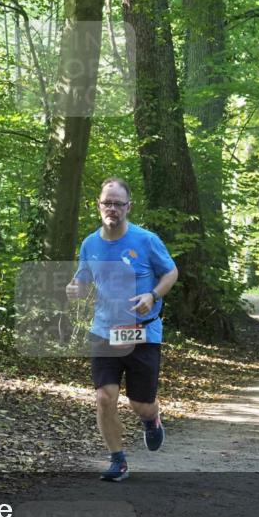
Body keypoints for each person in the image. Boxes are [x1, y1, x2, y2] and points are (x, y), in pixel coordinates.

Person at [66, 177, 179, 482]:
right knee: (105, 397)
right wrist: (76, 288)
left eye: (118, 204)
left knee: (139, 404)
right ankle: (118, 459)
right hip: (104, 331)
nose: (112, 209)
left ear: (128, 207)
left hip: (143, 332)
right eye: (107, 203)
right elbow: (83, 279)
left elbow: (171, 272)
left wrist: (152, 295)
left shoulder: (146, 240)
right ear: (98, 205)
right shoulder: (90, 244)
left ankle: (152, 418)